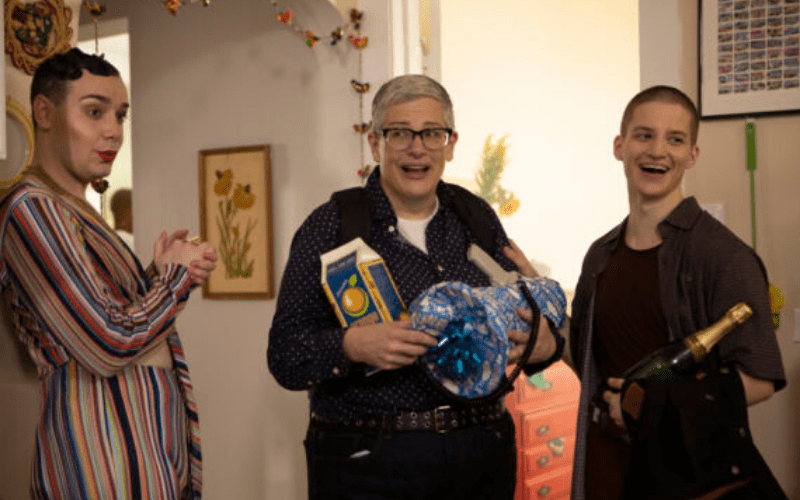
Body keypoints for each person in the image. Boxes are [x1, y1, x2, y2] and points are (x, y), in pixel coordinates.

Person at [267, 74, 562, 500]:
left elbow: (519, 317)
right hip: (370, 463)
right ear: (375, 143)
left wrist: (545, 345)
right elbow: (284, 356)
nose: (417, 147)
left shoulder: (475, 215)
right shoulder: (331, 225)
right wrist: (351, 346)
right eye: (399, 132)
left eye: (432, 133)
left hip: (482, 454)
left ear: (451, 142)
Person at [0, 48, 217, 499]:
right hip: (105, 465)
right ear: (44, 112)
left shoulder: (72, 209)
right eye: (94, 112)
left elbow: (107, 315)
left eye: (120, 115)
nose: (113, 131)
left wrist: (163, 273)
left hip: (140, 455)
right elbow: (107, 343)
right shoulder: (33, 210)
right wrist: (172, 281)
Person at [568, 85, 786, 499]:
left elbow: (760, 379)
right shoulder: (599, 254)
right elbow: (586, 360)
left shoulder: (724, 256)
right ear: (620, 145)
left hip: (684, 473)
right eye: (643, 135)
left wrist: (650, 405)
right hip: (605, 466)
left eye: (675, 139)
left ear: (692, 155)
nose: (657, 151)